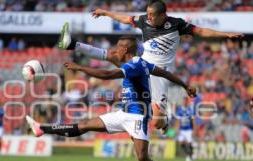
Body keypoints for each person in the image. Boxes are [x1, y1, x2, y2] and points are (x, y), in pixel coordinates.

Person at [27, 36, 197, 161]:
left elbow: (107, 75)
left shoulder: (134, 66)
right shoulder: (142, 64)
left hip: (138, 117)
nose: (115, 51)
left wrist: (80, 68)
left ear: (125, 49)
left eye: (117, 48)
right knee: (85, 125)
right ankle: (41, 128)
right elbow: (165, 74)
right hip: (123, 114)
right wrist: (185, 85)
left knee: (142, 158)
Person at [58, 0, 243, 134]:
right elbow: (125, 19)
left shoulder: (177, 24)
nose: (149, 17)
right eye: (148, 13)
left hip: (160, 74)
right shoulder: (144, 21)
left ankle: (164, 120)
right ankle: (72, 44)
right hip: (143, 64)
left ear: (163, 15)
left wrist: (226, 34)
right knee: (114, 55)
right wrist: (106, 13)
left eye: (153, 14)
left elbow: (201, 31)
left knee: (157, 123)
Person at [175, 96, 196, 161]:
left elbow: (193, 120)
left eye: (185, 101)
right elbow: (178, 120)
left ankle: (190, 156)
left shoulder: (190, 110)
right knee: (181, 143)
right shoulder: (179, 110)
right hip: (182, 129)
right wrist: (177, 129)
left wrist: (194, 129)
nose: (184, 102)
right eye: (183, 101)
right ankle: (189, 155)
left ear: (187, 102)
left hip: (189, 129)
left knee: (189, 143)